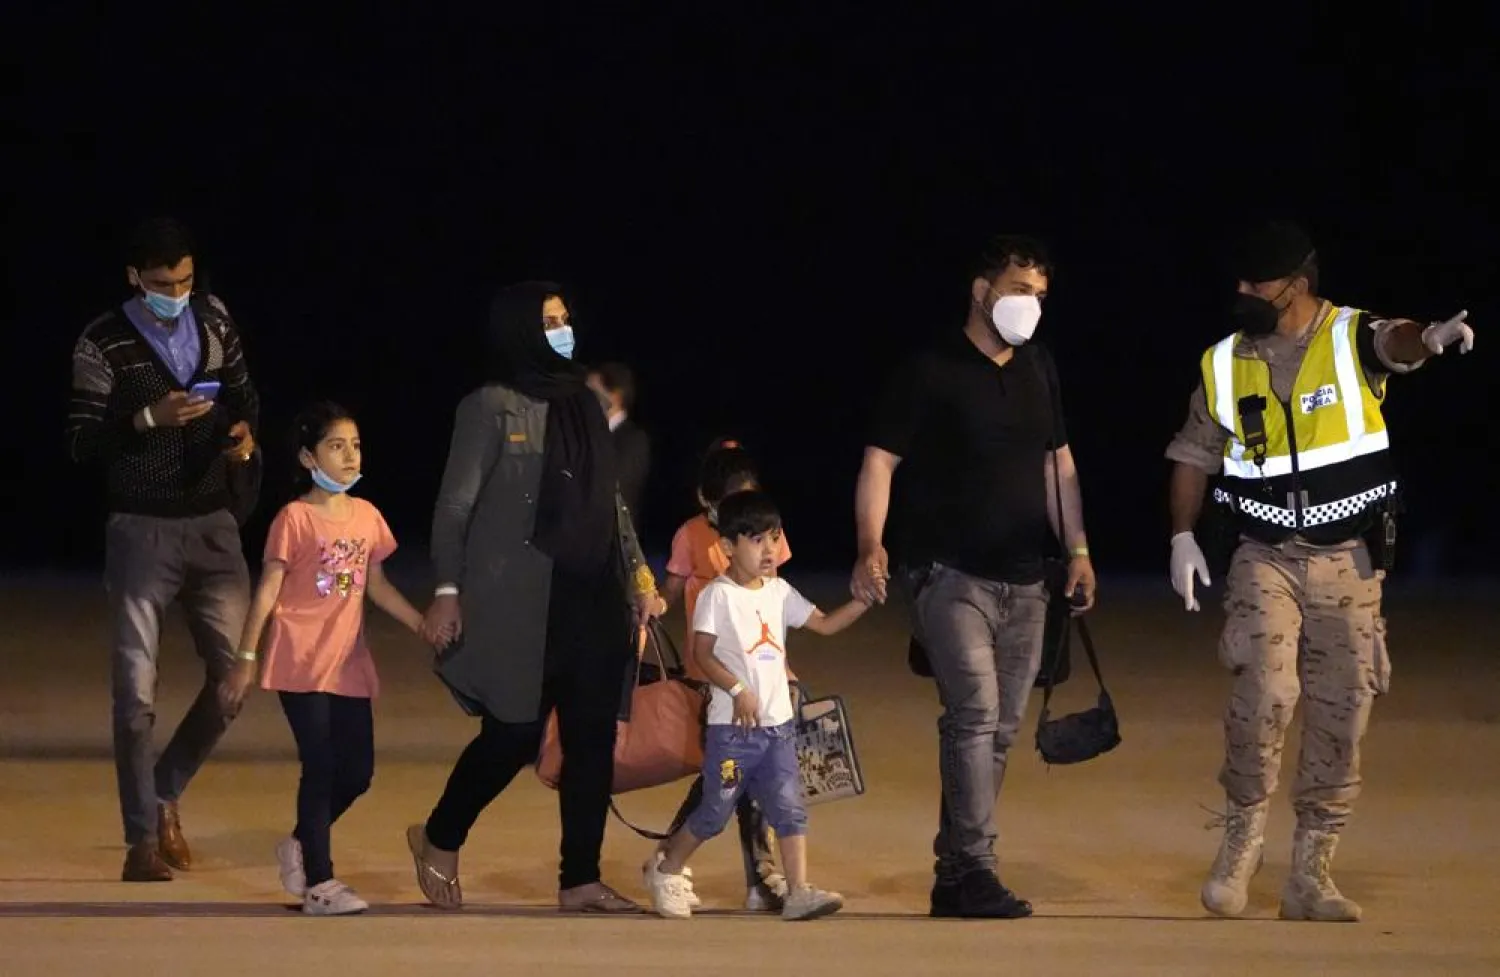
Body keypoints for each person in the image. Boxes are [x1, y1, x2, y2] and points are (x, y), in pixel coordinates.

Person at [1165, 220, 1476, 922]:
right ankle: (1242, 841)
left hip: (1350, 559)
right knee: (1266, 689)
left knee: (1344, 708)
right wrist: (1181, 537)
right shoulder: (1224, 361)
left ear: (1296, 287)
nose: (1242, 293)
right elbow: (1192, 452)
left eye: (1256, 284)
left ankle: (1311, 872)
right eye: (1238, 281)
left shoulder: (1347, 335)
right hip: (1263, 553)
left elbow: (1392, 341)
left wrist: (1424, 340)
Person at [850, 234, 1096, 919]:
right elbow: (879, 462)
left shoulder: (1039, 367)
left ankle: (956, 873)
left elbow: (1060, 465)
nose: (1030, 307)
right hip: (947, 572)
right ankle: (976, 865)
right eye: (1019, 291)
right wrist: (871, 544)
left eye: (1040, 296)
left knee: (1000, 729)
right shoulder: (929, 369)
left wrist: (1077, 548)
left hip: (1026, 580)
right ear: (981, 290)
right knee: (974, 714)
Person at [407, 281, 666, 913]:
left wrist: (637, 578)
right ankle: (439, 837)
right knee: (514, 733)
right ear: (520, 329)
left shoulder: (583, 402)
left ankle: (579, 879)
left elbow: (609, 503)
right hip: (520, 599)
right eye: (547, 321)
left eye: (565, 318)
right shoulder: (489, 406)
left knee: (591, 741)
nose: (561, 329)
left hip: (594, 594)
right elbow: (455, 504)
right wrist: (447, 590)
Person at [66, 217, 260, 882]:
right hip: (141, 528)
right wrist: (148, 418)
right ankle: (141, 839)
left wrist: (241, 435)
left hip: (212, 523)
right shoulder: (104, 341)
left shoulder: (214, 318)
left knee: (235, 678)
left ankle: (165, 786)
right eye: (159, 284)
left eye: (182, 280)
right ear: (133, 279)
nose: (174, 292)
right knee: (135, 692)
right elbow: (82, 441)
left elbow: (245, 397)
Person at [224, 403, 429, 915]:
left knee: (357, 772)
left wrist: (423, 624)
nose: (348, 455)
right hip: (298, 656)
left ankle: (298, 843)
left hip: (347, 661)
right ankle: (320, 883)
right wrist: (245, 656)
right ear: (307, 457)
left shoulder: (367, 517)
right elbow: (268, 589)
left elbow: (376, 586)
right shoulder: (294, 518)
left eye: (354, 445)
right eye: (336, 446)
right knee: (319, 765)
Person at [643, 489, 871, 921]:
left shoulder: (779, 592)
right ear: (727, 547)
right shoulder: (719, 596)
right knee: (714, 810)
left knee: (788, 808)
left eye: (774, 537)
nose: (769, 549)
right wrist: (737, 690)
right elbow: (704, 653)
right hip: (733, 734)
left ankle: (799, 890)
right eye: (756, 540)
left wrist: (862, 602)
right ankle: (666, 868)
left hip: (778, 729)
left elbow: (822, 624)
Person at [656, 439, 795, 911]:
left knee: (756, 783)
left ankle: (761, 878)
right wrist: (646, 606)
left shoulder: (767, 537)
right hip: (712, 679)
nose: (749, 518)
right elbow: (669, 593)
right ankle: (670, 857)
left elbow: (773, 606)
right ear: (706, 501)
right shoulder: (692, 536)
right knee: (724, 780)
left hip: (764, 683)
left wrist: (785, 669)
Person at [587, 362, 652, 527]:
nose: (585, 400)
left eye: (592, 393)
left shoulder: (633, 440)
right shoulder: (592, 435)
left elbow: (615, 490)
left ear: (615, 396)